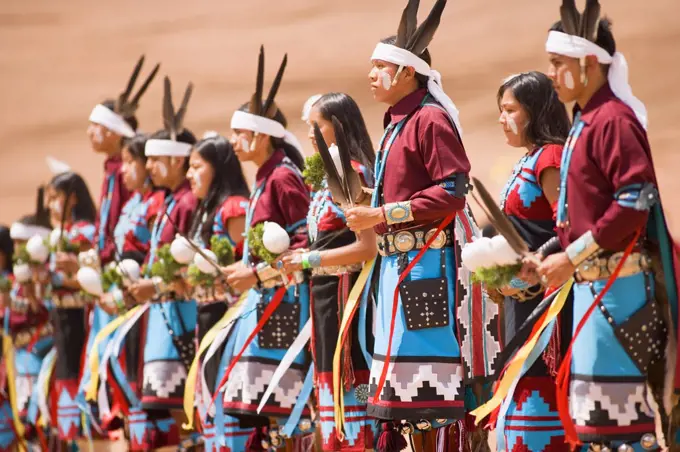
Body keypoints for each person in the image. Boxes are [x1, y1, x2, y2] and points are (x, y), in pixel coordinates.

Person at [345, 0, 501, 449]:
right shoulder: (397, 121)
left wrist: (383, 215)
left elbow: (453, 191)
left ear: (408, 72)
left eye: (381, 66)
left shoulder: (429, 118)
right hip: (399, 269)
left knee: (426, 396)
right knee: (400, 396)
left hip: (425, 268)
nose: (371, 74)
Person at [534, 1, 680, 449]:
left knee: (621, 430)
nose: (553, 74)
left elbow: (635, 200)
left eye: (559, 64)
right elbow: (581, 213)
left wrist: (572, 256)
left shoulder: (613, 120)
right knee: (597, 425)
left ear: (589, 63)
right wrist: (547, 257)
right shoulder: (585, 121)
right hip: (596, 292)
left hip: (621, 294)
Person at [212, 45, 312, 447]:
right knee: (263, 414)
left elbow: (305, 245)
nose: (233, 142)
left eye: (239, 133)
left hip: (285, 309)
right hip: (267, 306)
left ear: (262, 135)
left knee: (284, 413)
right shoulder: (265, 178)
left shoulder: (284, 178)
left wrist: (255, 273)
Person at [277, 92, 377, 451]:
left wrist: (308, 261)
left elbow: (368, 247)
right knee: (331, 399)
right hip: (325, 302)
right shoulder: (325, 178)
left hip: (351, 299)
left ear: (336, 126)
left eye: (316, 126)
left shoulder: (354, 174)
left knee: (354, 393)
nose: (309, 135)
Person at [489, 71, 572, 451]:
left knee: (537, 408)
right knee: (517, 400)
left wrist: (530, 270)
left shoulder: (551, 156)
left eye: (510, 110)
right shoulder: (529, 158)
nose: (502, 118)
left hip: (549, 305)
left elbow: (566, 227)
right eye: (500, 110)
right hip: (520, 302)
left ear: (535, 112)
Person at [126, 76, 199, 450]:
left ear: (176, 159)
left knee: (188, 409)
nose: (149, 166)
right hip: (164, 313)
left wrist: (154, 286)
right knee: (174, 408)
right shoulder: (170, 199)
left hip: (181, 313)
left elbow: (192, 268)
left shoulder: (186, 201)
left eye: (155, 159)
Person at [183, 133, 251, 451]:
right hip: (208, 317)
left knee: (227, 399)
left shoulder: (233, 206)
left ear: (218, 168)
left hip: (232, 318)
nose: (189, 174)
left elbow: (247, 260)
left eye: (196, 166)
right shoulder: (206, 209)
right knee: (210, 399)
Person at [88, 55, 159, 266]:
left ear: (113, 132)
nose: (89, 132)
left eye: (96, 126)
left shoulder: (128, 172)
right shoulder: (112, 169)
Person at [44, 171, 98, 446]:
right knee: (63, 383)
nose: (49, 204)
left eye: (56, 197)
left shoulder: (86, 232)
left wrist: (70, 276)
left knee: (79, 381)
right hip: (61, 320)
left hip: (80, 318)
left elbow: (93, 276)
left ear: (73, 198)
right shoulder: (57, 234)